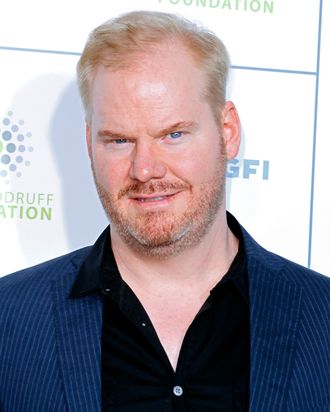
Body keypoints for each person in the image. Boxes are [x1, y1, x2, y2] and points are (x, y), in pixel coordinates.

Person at [0, 10, 329, 412]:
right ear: (89, 144)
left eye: (173, 135)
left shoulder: (322, 318)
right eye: (119, 140)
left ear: (227, 131)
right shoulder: (9, 320)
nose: (145, 169)